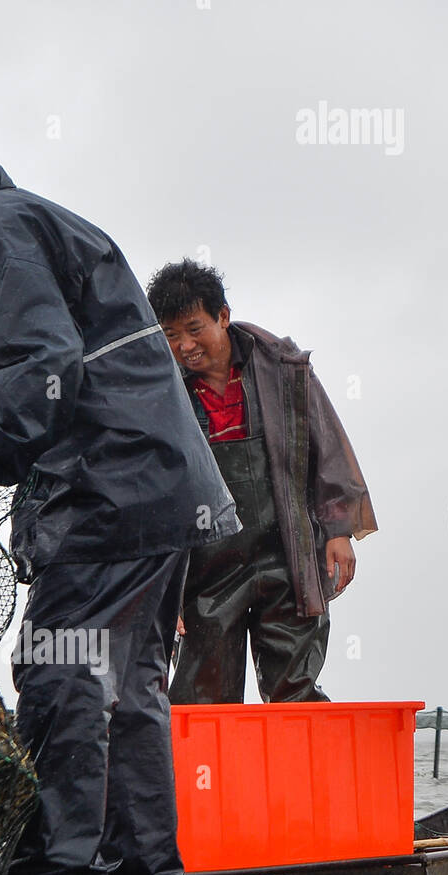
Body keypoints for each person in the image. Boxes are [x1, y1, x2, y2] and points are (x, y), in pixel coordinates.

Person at [0, 85, 239, 875]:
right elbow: (70, 357)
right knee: (129, 692)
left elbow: (47, 366)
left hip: (111, 491)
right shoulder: (1, 229)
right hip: (154, 491)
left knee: (61, 669)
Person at [146, 259, 377, 704]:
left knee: (295, 689)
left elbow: (326, 448)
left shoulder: (284, 369)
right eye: (171, 335)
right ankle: (211, 776)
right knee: (202, 693)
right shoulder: (161, 392)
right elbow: (152, 491)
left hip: (286, 552)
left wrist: (338, 531)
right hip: (204, 570)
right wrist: (163, 586)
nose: (185, 345)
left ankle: (301, 773)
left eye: (194, 329)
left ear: (223, 316)